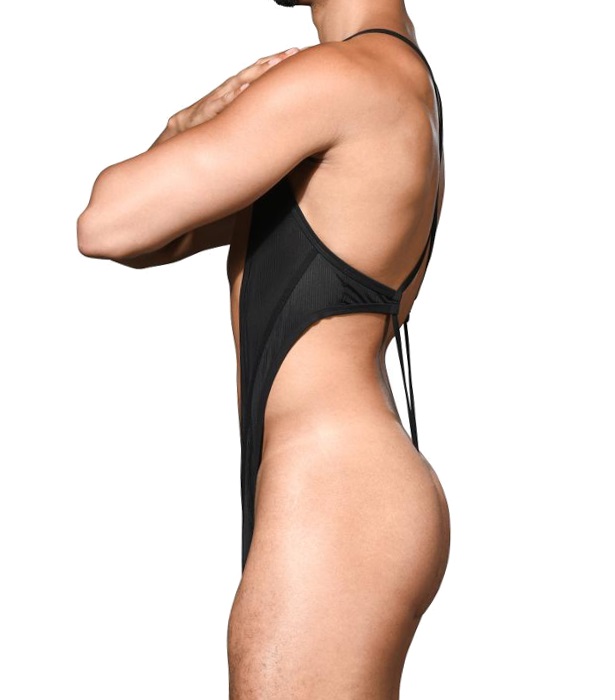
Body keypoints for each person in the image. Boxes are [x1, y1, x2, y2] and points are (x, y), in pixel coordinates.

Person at [77, 0, 450, 696]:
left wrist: (192, 123)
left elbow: (104, 222)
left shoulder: (344, 77)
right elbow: (155, 235)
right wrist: (183, 128)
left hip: (337, 486)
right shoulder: (394, 81)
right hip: (334, 480)